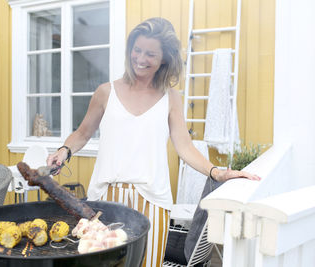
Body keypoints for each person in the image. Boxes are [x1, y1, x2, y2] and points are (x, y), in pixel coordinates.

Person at [47, 17, 260, 267]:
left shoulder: (171, 98)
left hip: (152, 203)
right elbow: (82, 134)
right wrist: (63, 151)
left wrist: (216, 172)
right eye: (137, 50)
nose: (140, 58)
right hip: (105, 199)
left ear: (164, 59)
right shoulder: (106, 92)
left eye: (150, 53)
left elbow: (185, 146)